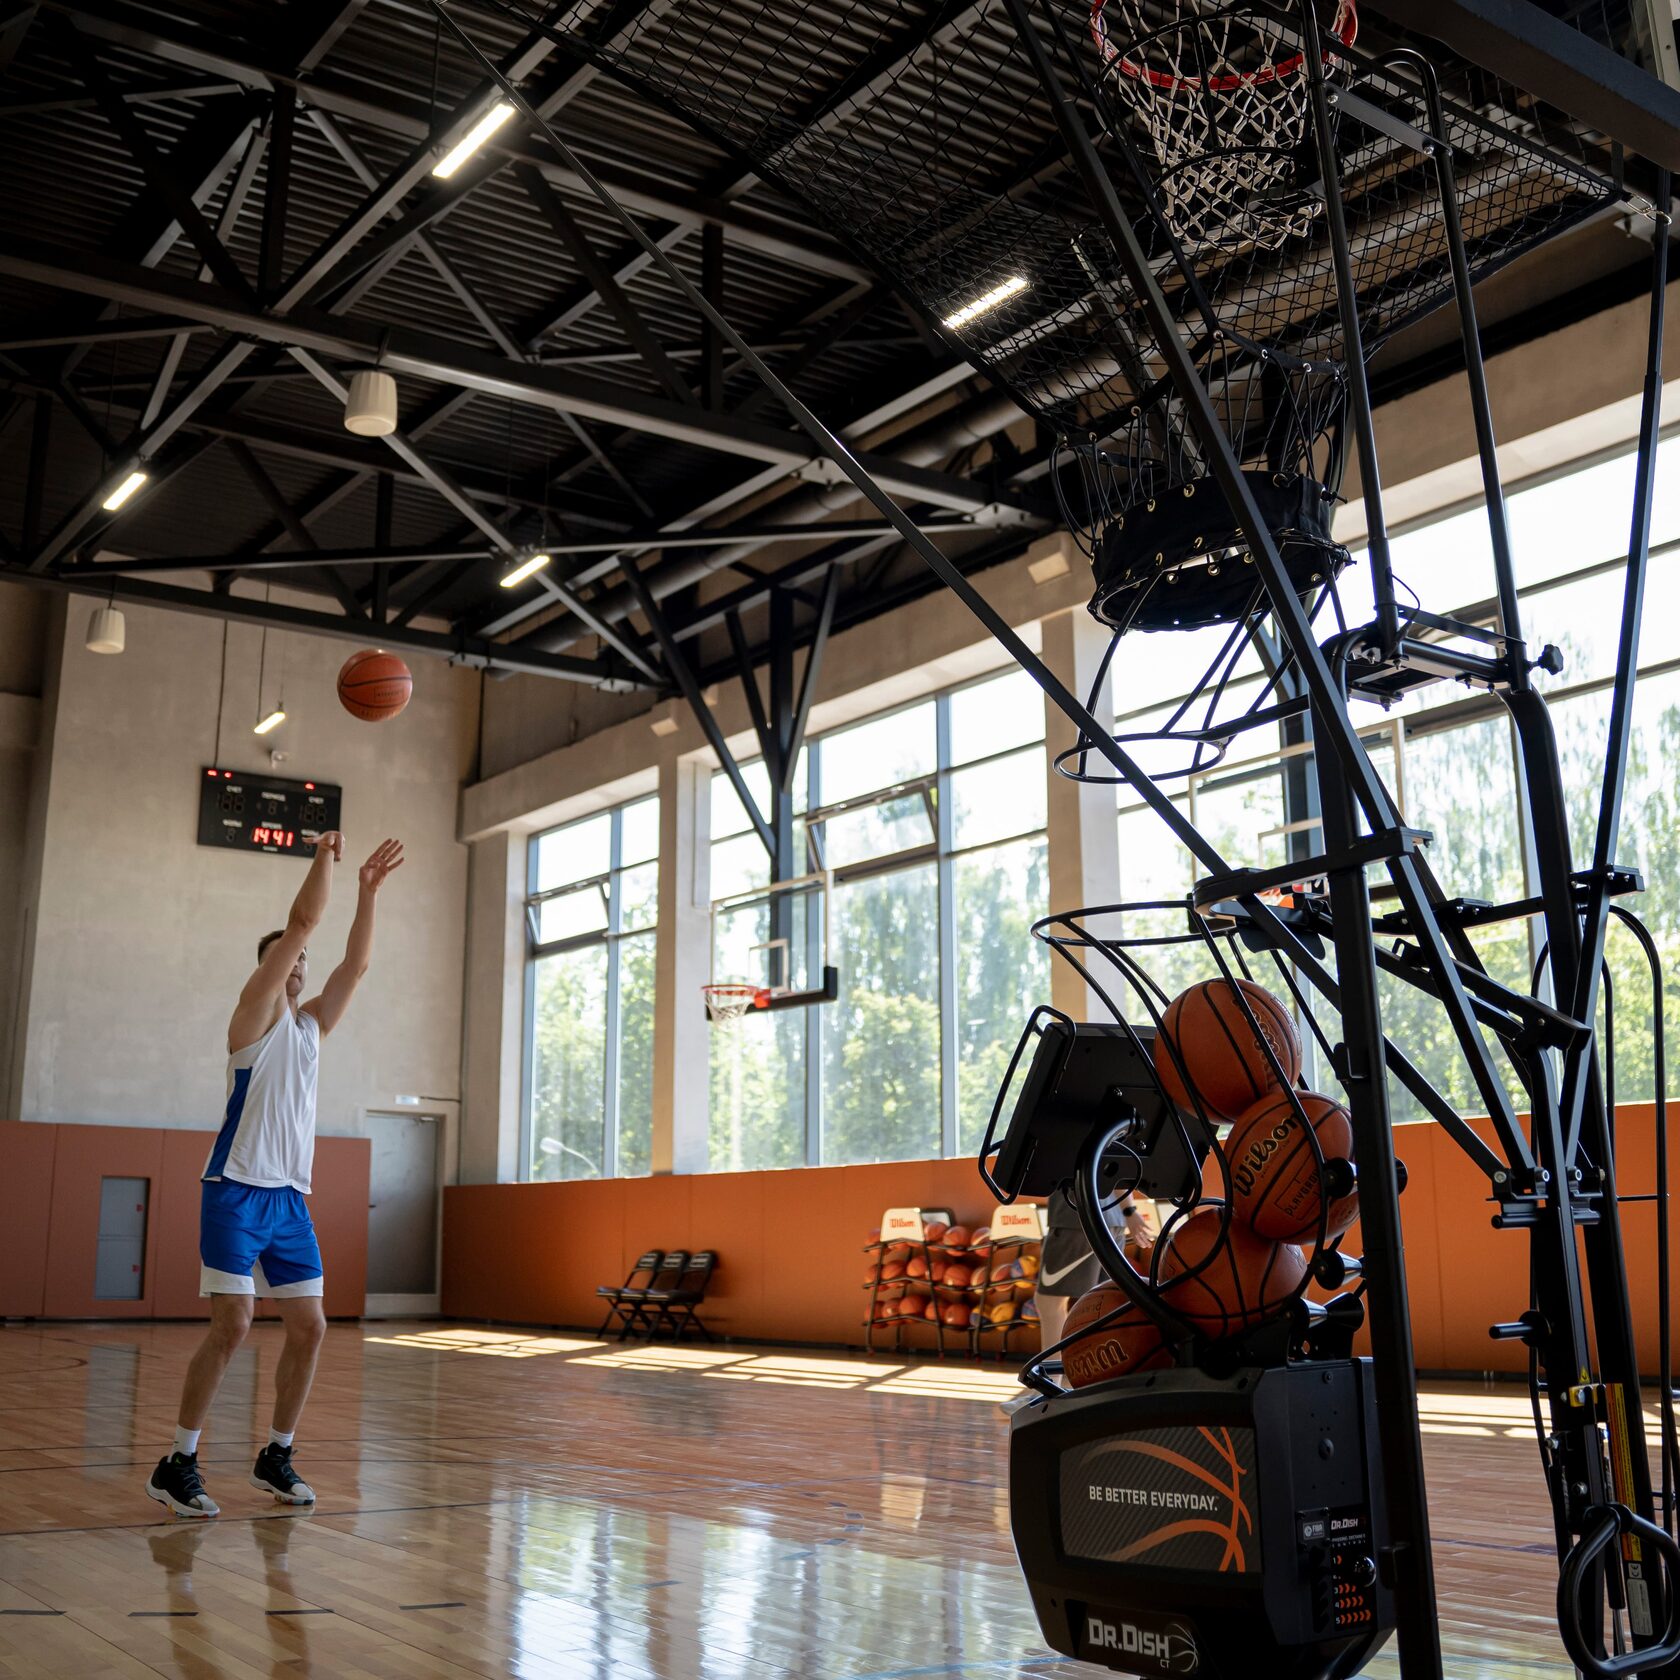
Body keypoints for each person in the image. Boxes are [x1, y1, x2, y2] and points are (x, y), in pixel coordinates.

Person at [145, 832, 404, 1519]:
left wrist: (369, 894)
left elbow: (355, 964)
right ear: (268, 968)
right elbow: (302, 926)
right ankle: (180, 1461)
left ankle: (276, 1455)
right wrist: (325, 856)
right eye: (288, 961)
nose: (298, 968)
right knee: (232, 1324)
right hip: (233, 1189)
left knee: (311, 1327)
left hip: (288, 1198)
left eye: (300, 965)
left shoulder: (311, 1029)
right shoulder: (252, 1020)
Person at [1000, 1185, 1159, 1417]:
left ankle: (1049, 1390)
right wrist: (1129, 1212)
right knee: (1102, 1307)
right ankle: (1102, 1387)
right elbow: (1117, 1168)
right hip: (1111, 1218)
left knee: (1049, 1303)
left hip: (1076, 1218)